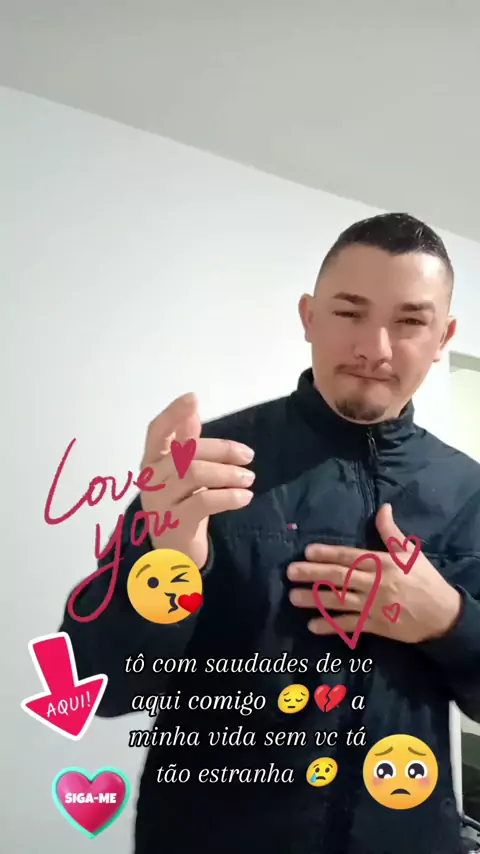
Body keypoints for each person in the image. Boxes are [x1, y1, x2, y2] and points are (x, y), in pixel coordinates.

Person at [60, 212, 480, 854]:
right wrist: (170, 562)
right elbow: (95, 687)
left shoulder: (469, 492)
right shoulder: (200, 471)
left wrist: (448, 620)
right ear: (309, 317)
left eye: (410, 321)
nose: (376, 348)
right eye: (350, 312)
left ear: (443, 336)